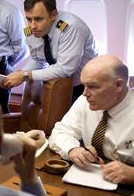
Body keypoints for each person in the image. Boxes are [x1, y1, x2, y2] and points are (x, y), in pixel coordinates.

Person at [49, 55, 134, 184]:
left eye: (93, 86)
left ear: (118, 85)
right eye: (84, 85)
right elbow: (61, 130)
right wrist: (72, 149)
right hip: (89, 178)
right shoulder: (85, 101)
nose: (85, 93)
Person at [3, 0, 98, 102]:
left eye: (38, 19)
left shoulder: (71, 27)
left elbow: (65, 70)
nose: (32, 26)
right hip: (59, 83)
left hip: (85, 86)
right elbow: (38, 60)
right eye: (29, 19)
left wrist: (25, 75)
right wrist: (19, 73)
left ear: (53, 15)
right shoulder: (30, 31)